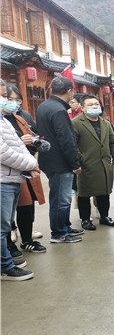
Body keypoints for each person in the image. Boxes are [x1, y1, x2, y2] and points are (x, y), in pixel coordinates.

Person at [36, 76, 84, 244]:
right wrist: (75, 163)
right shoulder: (59, 110)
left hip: (48, 159)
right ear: (69, 91)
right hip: (60, 162)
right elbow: (66, 140)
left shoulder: (44, 106)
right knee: (61, 200)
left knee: (61, 197)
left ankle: (65, 226)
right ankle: (59, 233)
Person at [2, 84, 46, 255]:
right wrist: (21, 143)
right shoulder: (2, 121)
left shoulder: (21, 118)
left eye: (17, 100)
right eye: (8, 98)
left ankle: (27, 239)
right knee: (6, 213)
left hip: (26, 168)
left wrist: (33, 143)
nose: (12, 103)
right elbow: (5, 150)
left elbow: (36, 138)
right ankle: (8, 245)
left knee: (27, 205)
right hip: (9, 171)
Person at [1, 79, 38, 281]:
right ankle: (5, 267)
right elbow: (4, 152)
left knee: (6, 224)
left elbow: (18, 145)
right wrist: (30, 163)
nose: (6, 100)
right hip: (4, 179)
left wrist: (29, 159)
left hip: (12, 177)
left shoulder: (7, 120)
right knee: (2, 227)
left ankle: (6, 261)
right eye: (4, 96)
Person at [72, 94, 114, 230]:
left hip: (104, 163)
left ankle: (104, 216)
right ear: (82, 108)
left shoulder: (105, 123)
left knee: (104, 192)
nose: (94, 107)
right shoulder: (76, 123)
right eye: (90, 105)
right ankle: (85, 219)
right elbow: (72, 145)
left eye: (96, 104)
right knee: (84, 193)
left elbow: (113, 142)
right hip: (86, 164)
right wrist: (81, 159)